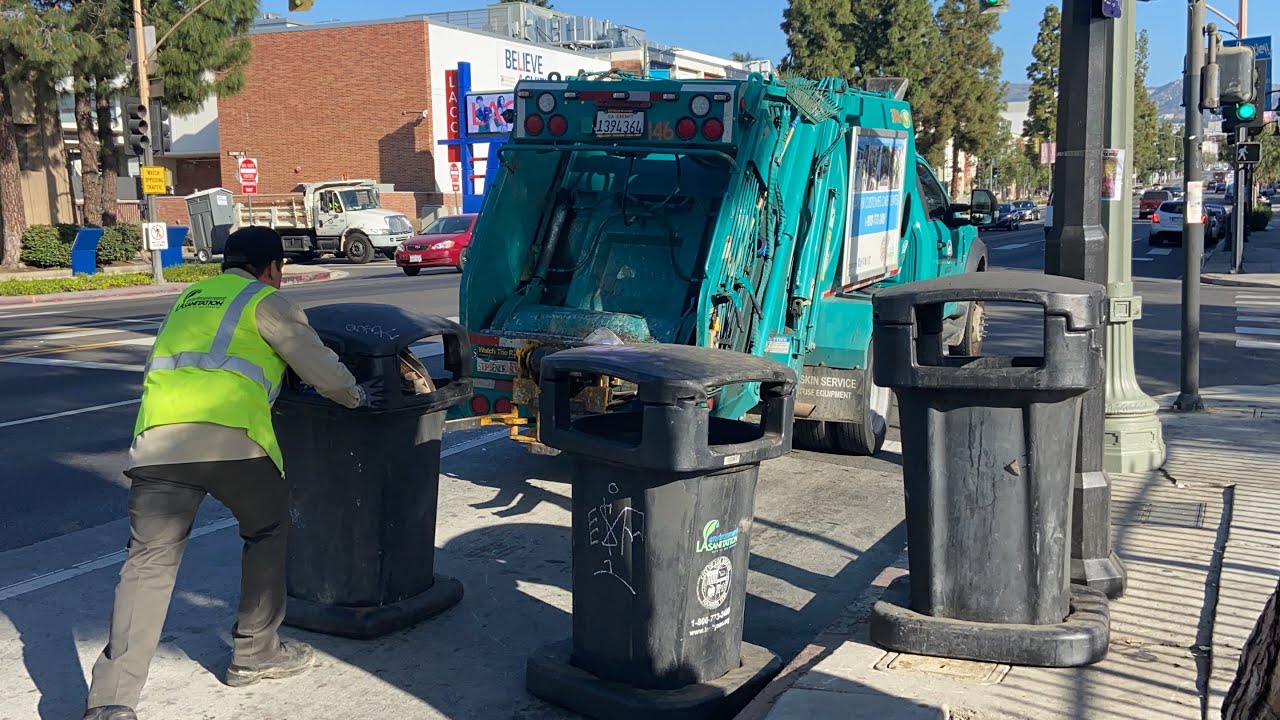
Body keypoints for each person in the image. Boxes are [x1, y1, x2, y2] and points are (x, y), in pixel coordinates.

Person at [84, 227, 383, 720]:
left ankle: (111, 701)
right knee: (267, 529)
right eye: (280, 271)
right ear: (271, 268)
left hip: (158, 445)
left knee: (148, 566)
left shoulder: (188, 298)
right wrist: (356, 397)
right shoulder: (265, 300)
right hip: (234, 444)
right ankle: (254, 652)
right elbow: (321, 368)